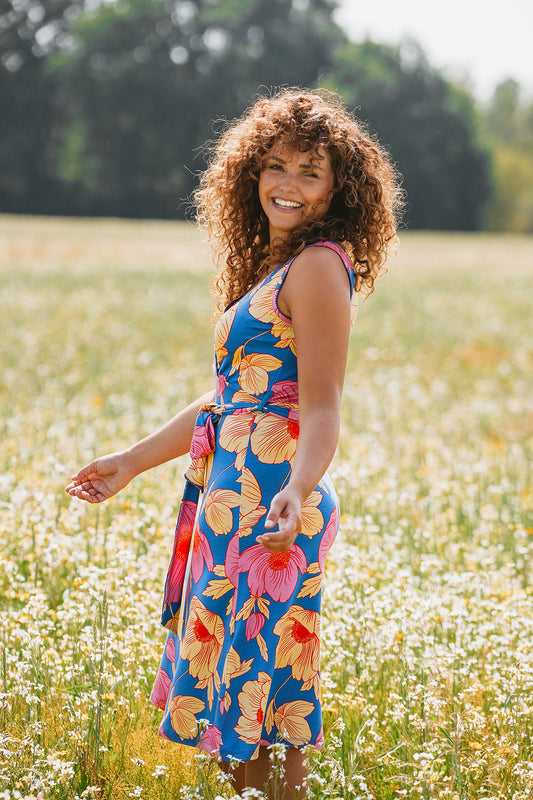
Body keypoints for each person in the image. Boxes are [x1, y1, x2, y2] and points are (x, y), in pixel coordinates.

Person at [66, 88, 401, 799]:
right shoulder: (277, 267)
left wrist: (296, 491)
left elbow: (321, 407)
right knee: (230, 705)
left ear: (339, 186)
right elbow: (229, 403)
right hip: (233, 496)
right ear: (250, 170)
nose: (287, 183)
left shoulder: (317, 267)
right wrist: (130, 462)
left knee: (265, 704)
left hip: (270, 503)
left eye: (309, 171)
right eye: (275, 165)